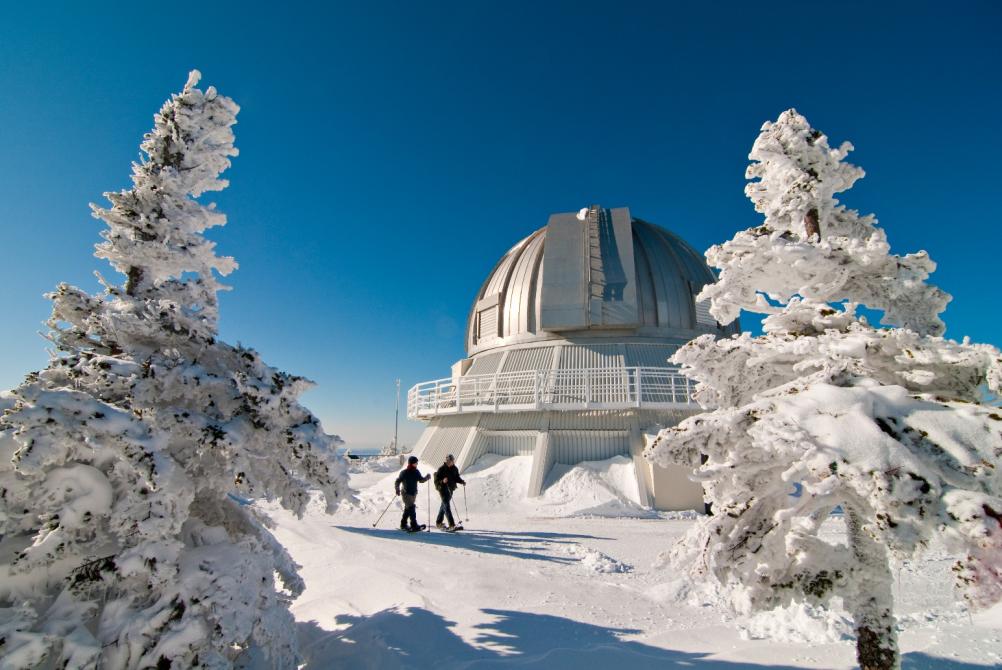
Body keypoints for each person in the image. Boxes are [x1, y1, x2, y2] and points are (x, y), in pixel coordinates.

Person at [395, 455, 430, 531]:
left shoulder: (416, 472)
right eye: (415, 463)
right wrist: (397, 489)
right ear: (411, 463)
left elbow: (421, 480)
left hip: (413, 493)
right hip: (406, 493)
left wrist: (426, 477)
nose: (416, 464)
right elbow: (398, 481)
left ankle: (403, 524)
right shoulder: (404, 472)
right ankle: (414, 525)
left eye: (417, 463)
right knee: (411, 507)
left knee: (408, 509)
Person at [434, 454, 465, 530]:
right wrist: (443, 481)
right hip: (442, 490)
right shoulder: (441, 469)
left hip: (451, 489)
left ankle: (438, 522)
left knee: (443, 506)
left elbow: (456, 477)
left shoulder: (455, 468)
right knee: (447, 506)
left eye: (452, 460)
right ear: (447, 461)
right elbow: (436, 481)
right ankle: (451, 524)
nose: (451, 462)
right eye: (450, 461)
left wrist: (462, 481)